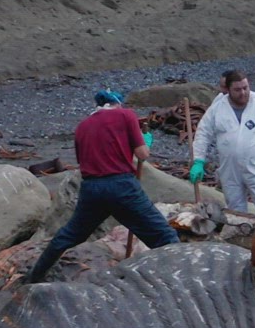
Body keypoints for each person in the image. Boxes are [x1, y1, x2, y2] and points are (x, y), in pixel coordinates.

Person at [26, 91, 179, 283]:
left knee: (68, 236)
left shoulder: (82, 126)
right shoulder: (126, 115)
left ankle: (34, 277)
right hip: (121, 186)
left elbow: (83, 161)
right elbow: (142, 154)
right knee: (165, 236)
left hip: (91, 188)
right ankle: (178, 278)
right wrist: (145, 141)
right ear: (118, 103)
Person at [190, 69, 255, 219]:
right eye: (237, 90)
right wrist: (198, 161)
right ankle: (239, 230)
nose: (243, 93)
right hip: (229, 168)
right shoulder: (217, 109)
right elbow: (203, 134)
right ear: (229, 90)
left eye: (245, 88)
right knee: (235, 208)